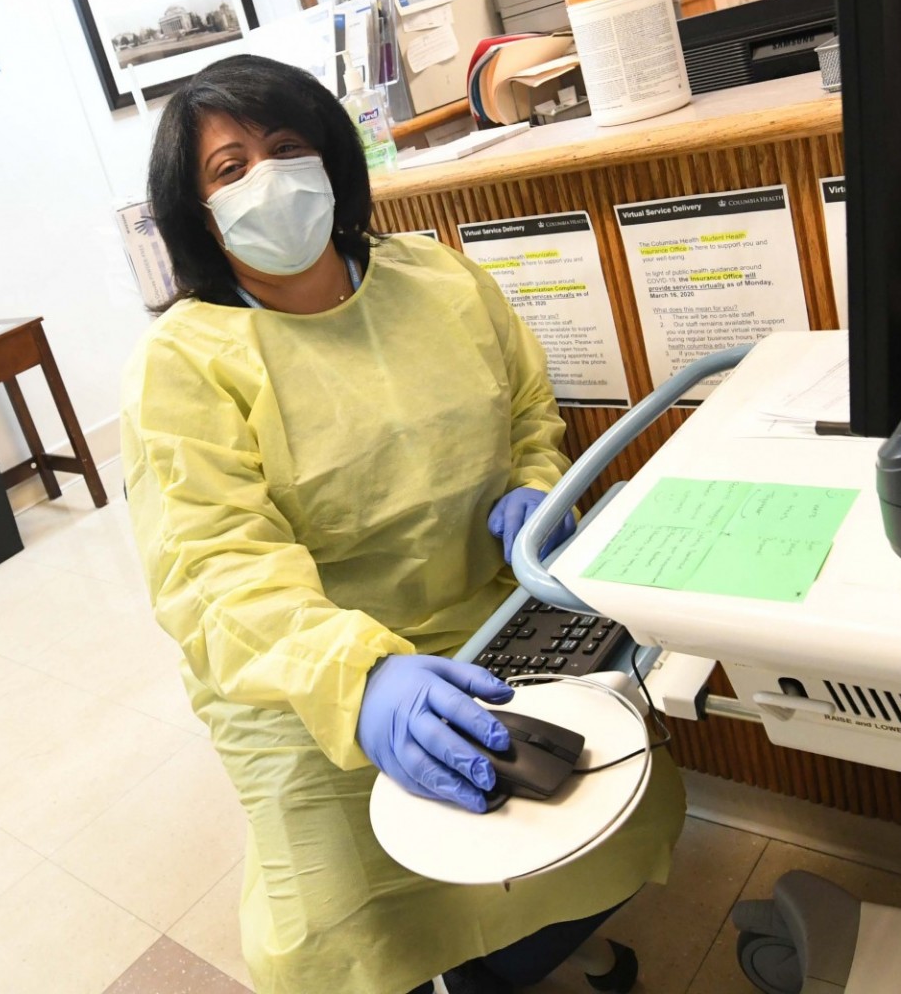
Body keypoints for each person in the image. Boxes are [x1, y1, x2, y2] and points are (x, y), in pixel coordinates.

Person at [120, 55, 685, 994]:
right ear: (197, 211)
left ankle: (507, 962)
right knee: (350, 928)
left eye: (286, 147)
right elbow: (215, 572)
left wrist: (534, 489)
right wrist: (360, 678)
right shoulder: (181, 366)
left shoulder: (441, 281)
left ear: (332, 159)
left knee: (603, 813)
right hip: (308, 683)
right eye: (229, 169)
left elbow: (528, 411)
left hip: (492, 620)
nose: (266, 177)